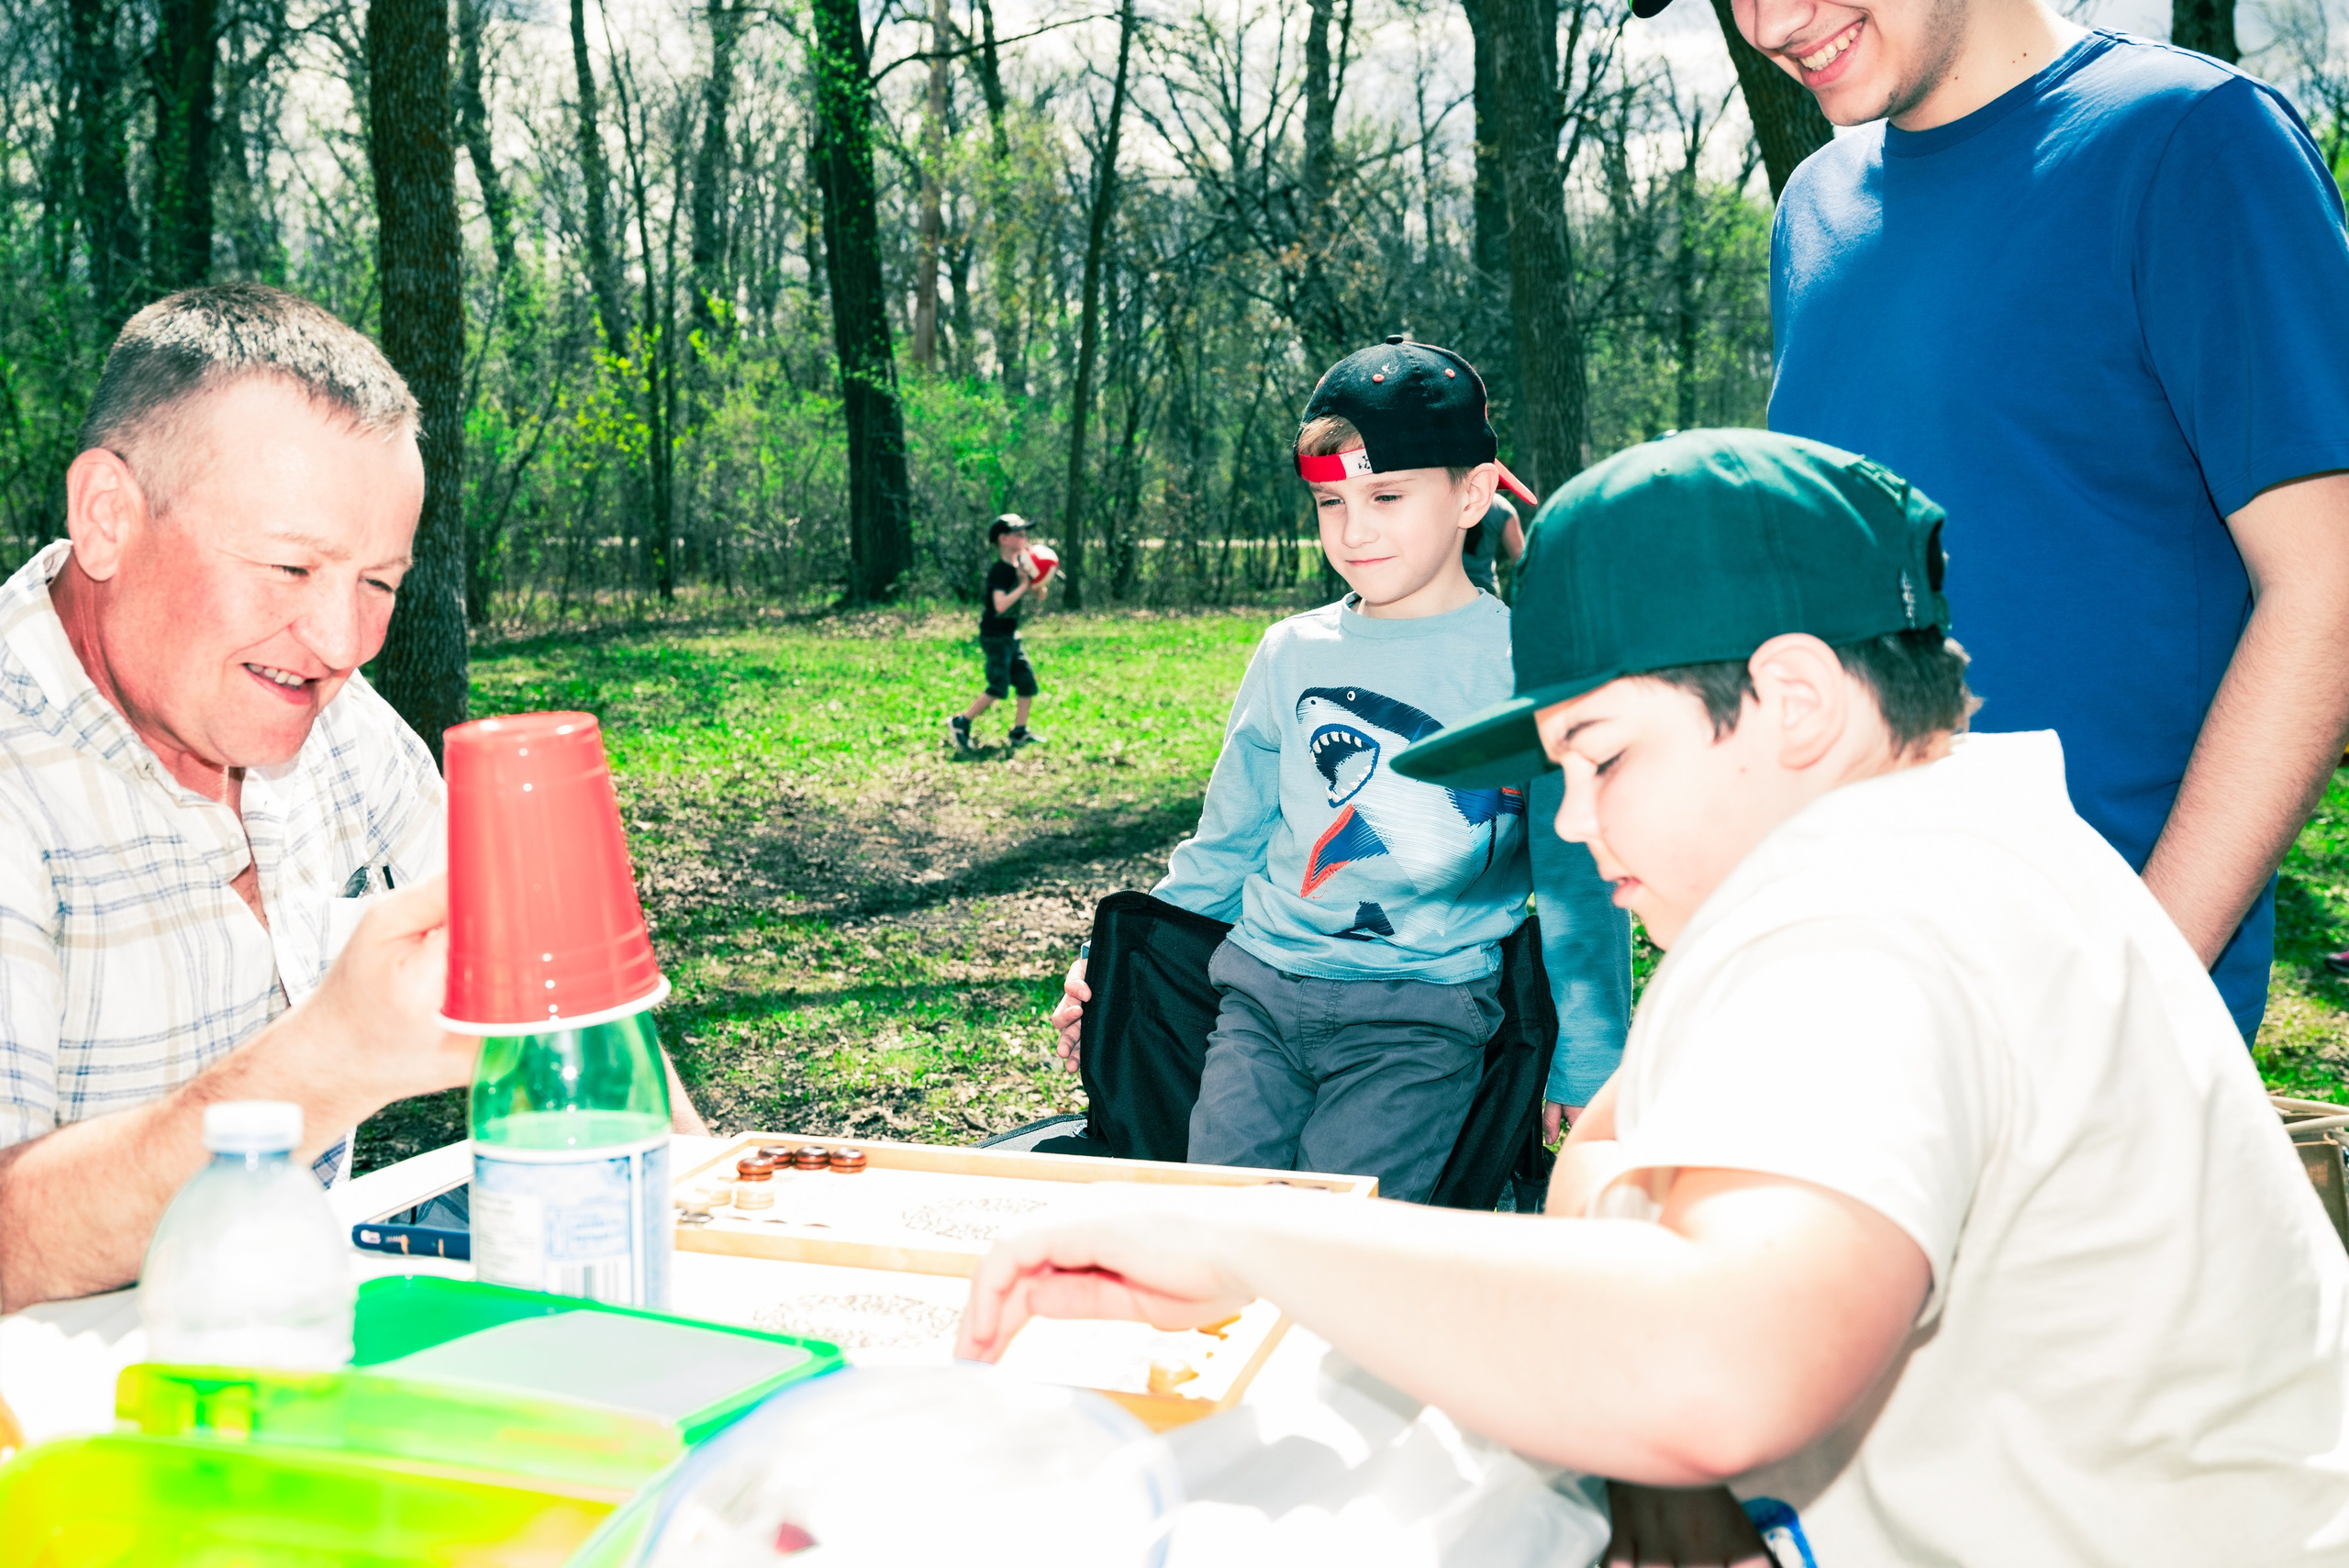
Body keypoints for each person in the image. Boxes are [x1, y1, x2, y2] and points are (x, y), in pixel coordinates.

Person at [963, 430, 2349, 1563]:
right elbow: (1613, 1178)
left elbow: (1717, 1367)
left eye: (1605, 755)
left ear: (1796, 701)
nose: (1571, 821)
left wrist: (1249, 1238)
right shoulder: (1959, 843)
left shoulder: (1870, 917)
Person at [0, 284, 704, 1313]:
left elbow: (559, 973)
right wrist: (328, 1061)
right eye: (290, 566)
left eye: (379, 583)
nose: (341, 643)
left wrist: (707, 1229)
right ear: (109, 516)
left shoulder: (325, 711)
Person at [1677, 0, 2349, 1040]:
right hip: (1858, 988)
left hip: (2092, 1010)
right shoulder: (1813, 204)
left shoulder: (2191, 139)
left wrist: (2135, 995)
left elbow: (2327, 585)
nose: (1771, 22)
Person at [1049, 338, 1630, 1202]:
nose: (1354, 530)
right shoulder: (1290, 653)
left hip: (1420, 1016)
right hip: (1257, 998)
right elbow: (1227, 842)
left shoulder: (1528, 666)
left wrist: (1590, 1056)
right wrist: (1110, 961)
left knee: (1334, 1234)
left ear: (1473, 494)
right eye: (1331, 502)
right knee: (1215, 1215)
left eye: (1386, 496)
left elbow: (1579, 879)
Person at [949, 516, 1048, 752]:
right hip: (995, 637)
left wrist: (1038, 578)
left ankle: (1019, 731)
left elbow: (1040, 595)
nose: (1025, 538)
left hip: (1011, 636)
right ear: (1003, 539)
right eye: (1019, 534)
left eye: (1025, 534)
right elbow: (1000, 605)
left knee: (1026, 682)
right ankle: (961, 722)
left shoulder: (1021, 567)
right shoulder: (1000, 571)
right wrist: (1022, 585)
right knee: (998, 685)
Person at [1460, 495, 1524, 598]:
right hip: (1486, 591)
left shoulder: (1446, 502)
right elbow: (1520, 560)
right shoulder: (1502, 507)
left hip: (1448, 594)